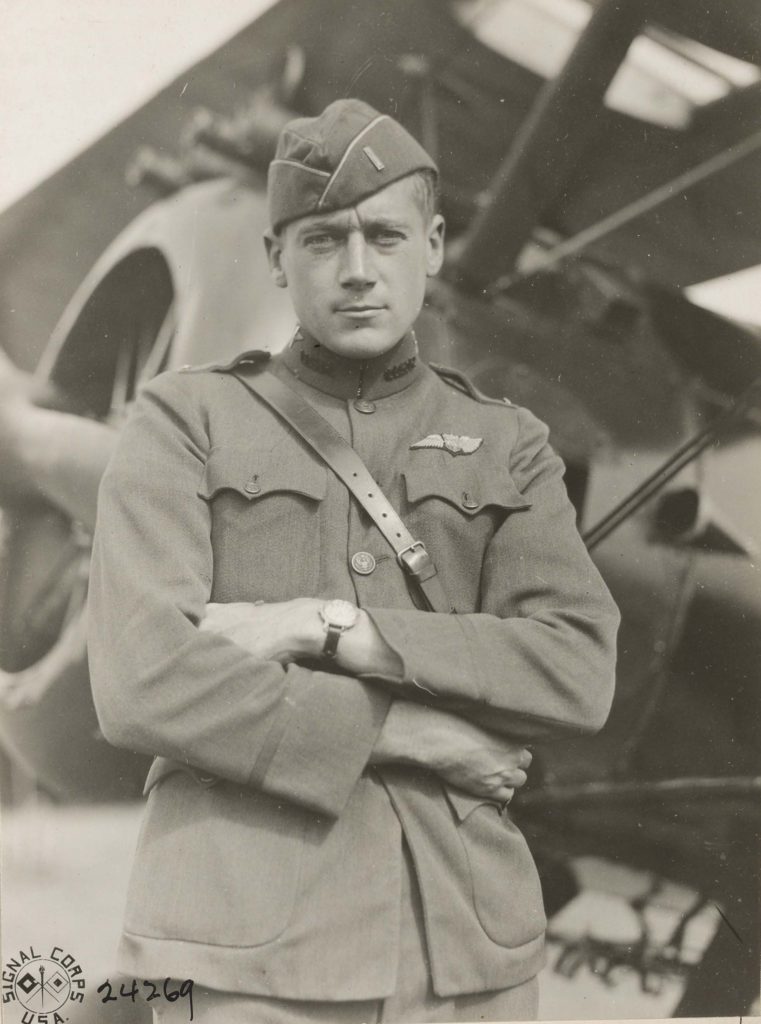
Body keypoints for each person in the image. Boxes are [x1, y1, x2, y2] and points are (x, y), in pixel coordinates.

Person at [88, 98, 619, 1023]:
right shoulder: (183, 421)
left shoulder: (509, 443)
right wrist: (413, 733)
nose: (359, 271)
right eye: (324, 241)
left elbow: (577, 667)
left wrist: (327, 627)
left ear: (436, 245)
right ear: (274, 260)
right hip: (246, 946)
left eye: (384, 235)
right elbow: (141, 679)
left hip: (471, 948)